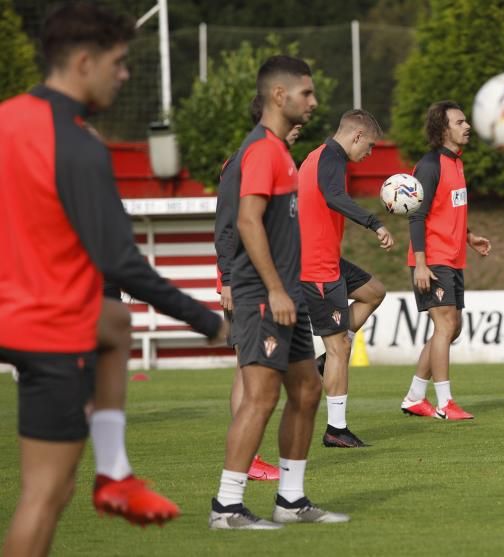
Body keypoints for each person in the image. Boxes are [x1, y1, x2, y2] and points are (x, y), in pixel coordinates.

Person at [0, 2, 227, 554]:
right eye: (119, 62)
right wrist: (208, 321)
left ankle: (115, 472)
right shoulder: (78, 147)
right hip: (46, 331)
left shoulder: (6, 120)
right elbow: (120, 263)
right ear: (83, 61)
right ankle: (115, 476)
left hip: (18, 312)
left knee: (114, 319)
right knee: (45, 495)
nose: (124, 75)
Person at [210, 55, 346, 530]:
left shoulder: (280, 152)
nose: (313, 101)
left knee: (307, 390)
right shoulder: (261, 151)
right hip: (264, 297)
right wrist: (273, 288)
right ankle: (226, 507)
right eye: (306, 93)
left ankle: (291, 500)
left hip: (286, 294)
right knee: (260, 398)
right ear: (279, 96)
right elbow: (245, 222)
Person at [214, 96, 301, 481]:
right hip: (247, 284)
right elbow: (229, 226)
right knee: (249, 377)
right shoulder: (247, 160)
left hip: (267, 283)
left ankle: (262, 471)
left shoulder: (279, 160)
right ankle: (243, 467)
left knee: (259, 378)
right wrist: (229, 280)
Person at [298, 109, 392, 447]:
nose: (368, 155)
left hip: (326, 260)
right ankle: (335, 429)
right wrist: (374, 222)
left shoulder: (317, 156)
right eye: (368, 147)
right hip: (317, 265)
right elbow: (334, 197)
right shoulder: (332, 158)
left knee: (375, 291)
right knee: (341, 347)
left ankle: (326, 359)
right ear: (355, 136)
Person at [399, 101, 492, 420]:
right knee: (446, 325)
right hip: (433, 259)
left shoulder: (457, 163)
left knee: (452, 328)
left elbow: (448, 208)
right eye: (459, 122)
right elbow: (417, 214)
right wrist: (421, 263)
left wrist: (469, 236)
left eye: (466, 121)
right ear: (443, 129)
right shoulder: (430, 165)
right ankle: (445, 403)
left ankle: (414, 397)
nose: (467, 126)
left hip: (453, 258)